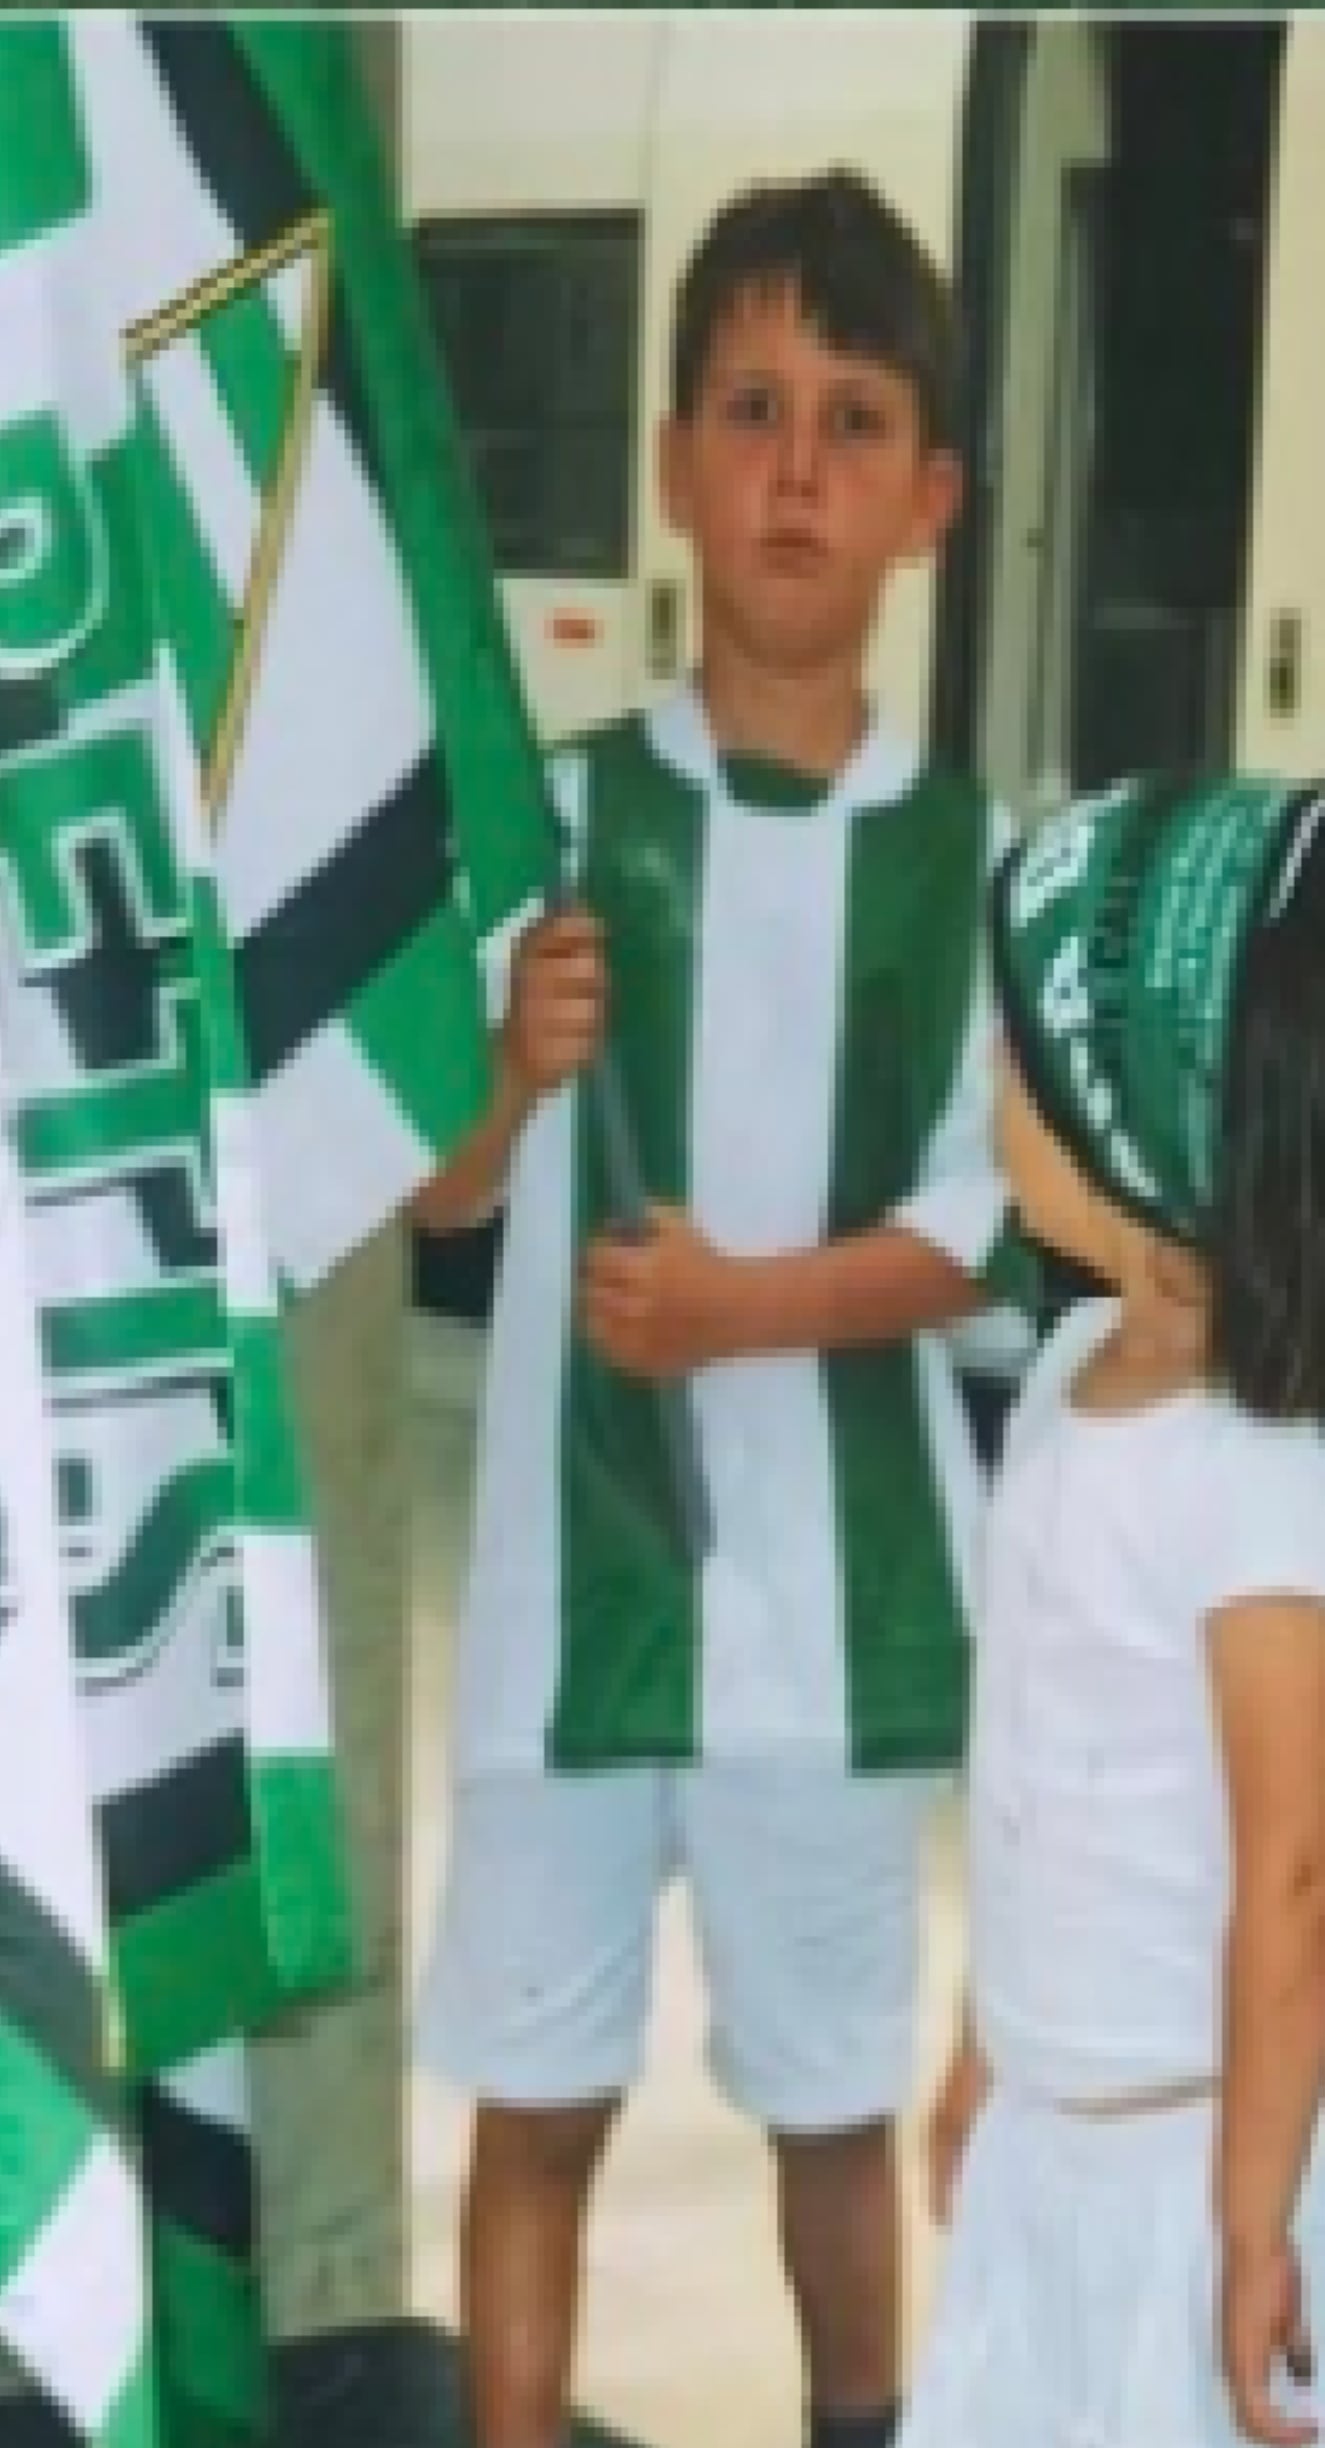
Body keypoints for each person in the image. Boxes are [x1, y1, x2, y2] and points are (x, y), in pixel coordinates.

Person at [407, 172, 1002, 2448]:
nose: (791, 469)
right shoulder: (546, 825)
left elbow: (988, 1225)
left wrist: (759, 1303)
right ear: (669, 458)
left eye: (851, 422)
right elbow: (440, 1185)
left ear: (929, 500)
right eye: (748, 410)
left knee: (831, 2120)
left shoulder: (976, 853)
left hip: (830, 1635)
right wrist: (503, 1075)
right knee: (535, 2110)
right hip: (569, 1611)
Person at [905, 777, 1325, 2448]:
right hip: (1061, 2142)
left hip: (1220, 2168)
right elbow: (1032, 1772)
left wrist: (1248, 2227)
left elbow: (1294, 1879)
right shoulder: (1075, 1371)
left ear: (1123, 1105)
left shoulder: (1255, 1470)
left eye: (1014, 1061)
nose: (987, 1092)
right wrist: (983, 2046)